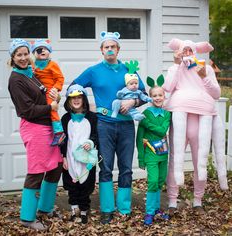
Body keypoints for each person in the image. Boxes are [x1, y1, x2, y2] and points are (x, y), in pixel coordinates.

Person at [69, 31, 147, 224]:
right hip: (104, 126)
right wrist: (89, 108)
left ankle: (124, 208)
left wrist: (133, 102)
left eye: (113, 46)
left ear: (118, 49)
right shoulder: (93, 71)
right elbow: (73, 88)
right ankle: (106, 209)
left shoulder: (128, 69)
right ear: (102, 50)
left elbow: (144, 92)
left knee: (126, 168)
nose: (110, 49)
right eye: (106, 47)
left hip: (126, 126)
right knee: (105, 168)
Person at [162, 38, 228, 215]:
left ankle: (198, 200)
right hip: (179, 119)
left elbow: (216, 93)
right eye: (185, 50)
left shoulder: (205, 68)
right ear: (180, 51)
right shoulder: (175, 68)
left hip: (201, 121)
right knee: (175, 160)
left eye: (191, 50)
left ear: (196, 51)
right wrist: (176, 65)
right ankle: (173, 202)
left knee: (201, 161)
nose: (188, 53)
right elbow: (167, 87)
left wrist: (204, 76)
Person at [8, 38, 63, 230]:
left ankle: (45, 208)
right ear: (13, 57)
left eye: (25, 54)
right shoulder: (16, 80)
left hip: (48, 126)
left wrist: (56, 96)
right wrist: (51, 107)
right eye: (19, 55)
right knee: (37, 171)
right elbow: (27, 110)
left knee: (56, 166)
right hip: (34, 127)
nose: (23, 58)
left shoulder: (31, 73)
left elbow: (45, 93)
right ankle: (27, 217)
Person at [60, 84, 98, 224]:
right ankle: (74, 208)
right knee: (72, 183)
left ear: (84, 100)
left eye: (79, 98)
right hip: (70, 157)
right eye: (73, 98)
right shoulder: (65, 119)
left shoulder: (92, 118)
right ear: (68, 101)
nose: (76, 100)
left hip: (86, 157)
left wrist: (91, 142)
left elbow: (96, 135)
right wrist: (63, 157)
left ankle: (83, 210)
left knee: (85, 184)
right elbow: (63, 140)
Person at [136, 77, 171, 225]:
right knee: (153, 181)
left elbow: (163, 129)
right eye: (154, 95)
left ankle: (157, 209)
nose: (157, 98)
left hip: (163, 153)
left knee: (161, 181)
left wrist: (146, 123)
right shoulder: (146, 112)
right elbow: (140, 137)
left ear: (164, 97)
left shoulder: (167, 114)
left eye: (160, 95)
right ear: (150, 97)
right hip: (150, 153)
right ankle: (149, 212)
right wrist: (141, 158)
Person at [31, 39, 66, 146]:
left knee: (52, 109)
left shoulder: (52, 64)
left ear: (49, 51)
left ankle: (59, 133)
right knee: (41, 110)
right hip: (38, 92)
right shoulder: (33, 65)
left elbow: (60, 78)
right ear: (34, 54)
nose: (42, 51)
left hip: (50, 91)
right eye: (38, 49)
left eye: (45, 49)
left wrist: (56, 88)